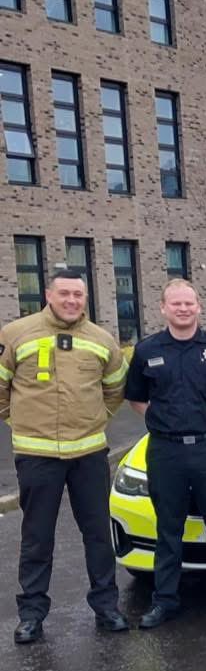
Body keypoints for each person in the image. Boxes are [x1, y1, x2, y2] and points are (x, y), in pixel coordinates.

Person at [0, 269, 129, 644]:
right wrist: (19, 420)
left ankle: (106, 607)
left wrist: (96, 419)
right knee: (37, 537)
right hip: (36, 455)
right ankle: (32, 615)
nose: (72, 301)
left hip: (89, 453)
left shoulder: (102, 339)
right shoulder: (15, 334)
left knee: (97, 535)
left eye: (78, 295)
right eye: (65, 294)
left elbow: (115, 388)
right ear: (48, 294)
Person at [125, 279, 206, 628]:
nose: (182, 309)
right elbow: (135, 397)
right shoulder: (147, 350)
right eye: (175, 303)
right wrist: (162, 422)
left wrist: (205, 422)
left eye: (188, 303)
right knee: (169, 529)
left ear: (199, 307)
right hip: (165, 451)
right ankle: (165, 601)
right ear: (163, 308)